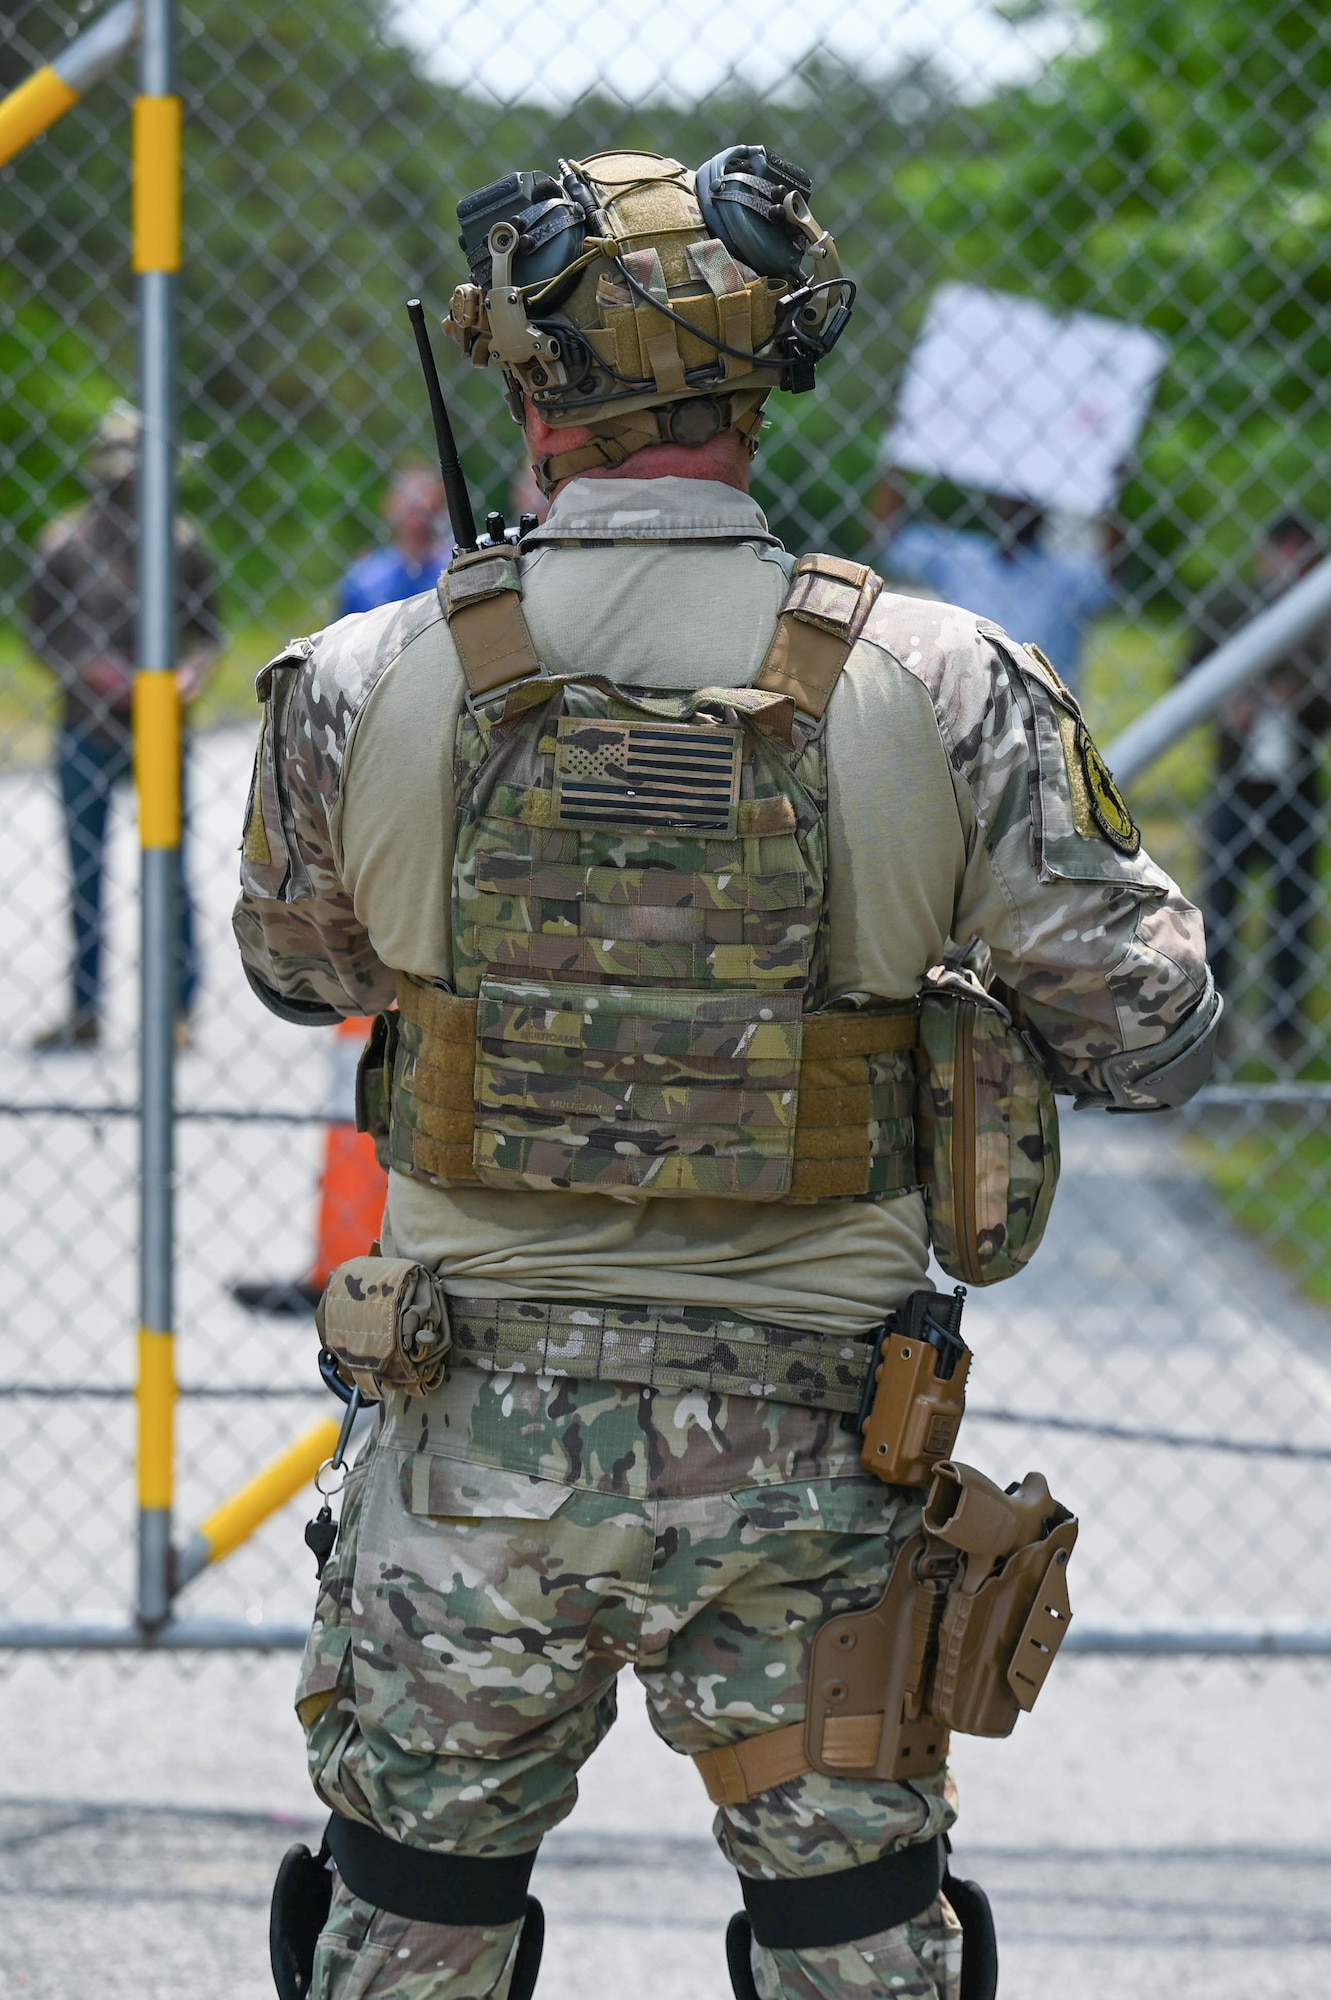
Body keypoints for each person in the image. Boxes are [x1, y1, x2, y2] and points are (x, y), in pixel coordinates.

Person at [235, 148, 1218, 2000]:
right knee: (855, 1949)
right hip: (818, 1455)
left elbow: (299, 974)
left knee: (409, 1931)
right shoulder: (949, 674)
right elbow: (1152, 1029)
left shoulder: (365, 676)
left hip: (466, 1447)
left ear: (522, 392)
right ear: (775, 375)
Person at [26, 402, 222, 1051]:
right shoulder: (65, 544)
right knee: (85, 872)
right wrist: (88, 670)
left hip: (160, 727)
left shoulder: (182, 543)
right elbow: (41, 634)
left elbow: (209, 636)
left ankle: (178, 1011)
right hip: (85, 726)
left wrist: (190, 677)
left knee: (168, 869)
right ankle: (84, 1009)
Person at [1189, 514, 1331, 1058]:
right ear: (1265, 554)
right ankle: (1213, 1024)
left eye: (1304, 556)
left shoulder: (1320, 619)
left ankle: (1285, 1033)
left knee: (1292, 909)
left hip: (1297, 778)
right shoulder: (1232, 606)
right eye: (1284, 553)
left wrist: (1305, 699)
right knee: (1220, 906)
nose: (1291, 566)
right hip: (1236, 777)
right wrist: (1231, 706)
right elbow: (1190, 672)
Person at [872, 470, 1114, 694]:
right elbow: (888, 539)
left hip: (1038, 717)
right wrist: (898, 460)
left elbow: (1112, 573)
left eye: (1025, 498)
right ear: (993, 501)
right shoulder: (961, 556)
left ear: (1042, 508)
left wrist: (1111, 491)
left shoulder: (1066, 575)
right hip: (965, 708)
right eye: (1008, 495)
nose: (1015, 506)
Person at [337, 466, 452, 617]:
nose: (417, 522)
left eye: (425, 511)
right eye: (411, 510)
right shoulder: (365, 579)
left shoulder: (455, 567)